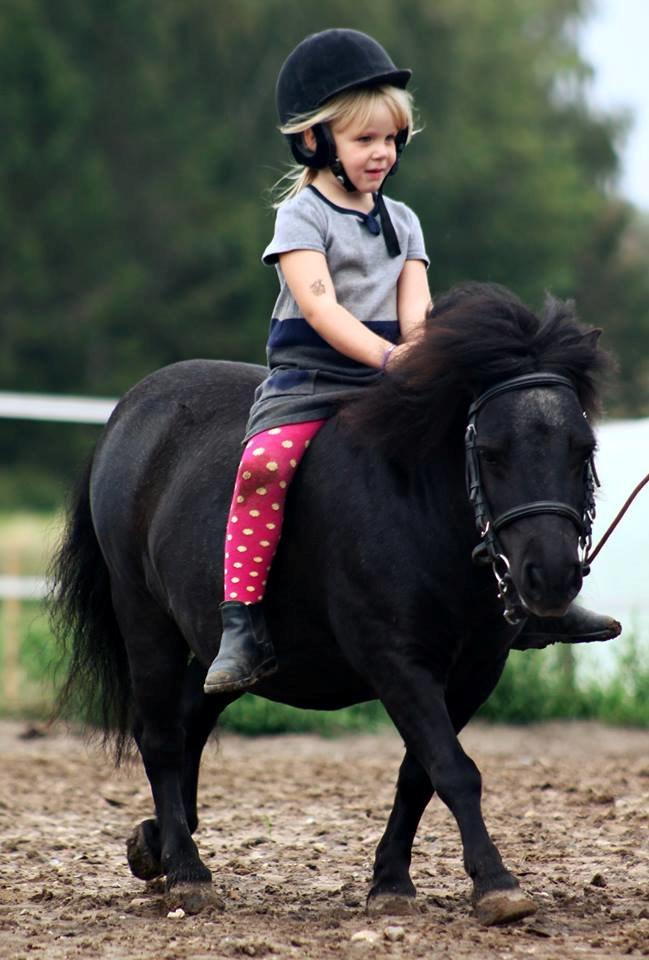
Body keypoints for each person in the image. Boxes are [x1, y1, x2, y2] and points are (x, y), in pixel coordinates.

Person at [204, 29, 620, 695]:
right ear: (316, 141)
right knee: (264, 465)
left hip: (387, 378)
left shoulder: (403, 221)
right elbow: (320, 307)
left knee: (482, 452)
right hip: (310, 382)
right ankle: (242, 621)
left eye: (392, 140)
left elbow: (417, 314)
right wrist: (388, 357)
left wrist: (423, 360)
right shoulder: (300, 217)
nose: (383, 153)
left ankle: (538, 597)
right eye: (367, 140)